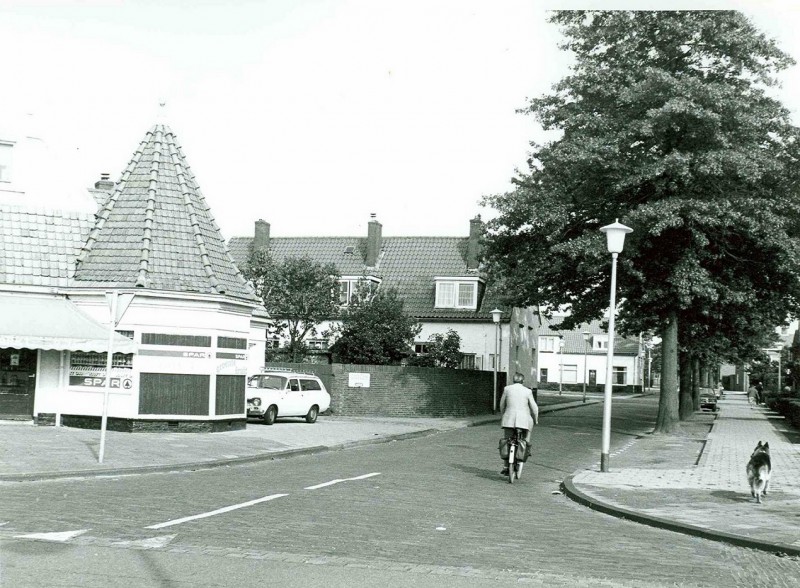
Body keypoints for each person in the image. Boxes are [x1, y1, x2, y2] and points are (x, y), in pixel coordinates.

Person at [499, 372, 539, 476]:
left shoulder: (507, 389)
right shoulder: (528, 391)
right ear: (523, 381)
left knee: (506, 440)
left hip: (509, 419)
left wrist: (503, 414)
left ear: (513, 380)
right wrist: (536, 418)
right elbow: (534, 407)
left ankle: (505, 466)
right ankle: (525, 450)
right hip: (524, 420)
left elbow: (502, 404)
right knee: (526, 437)